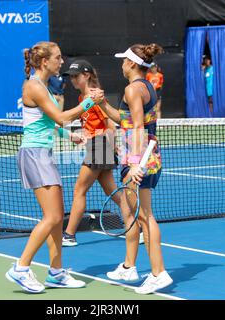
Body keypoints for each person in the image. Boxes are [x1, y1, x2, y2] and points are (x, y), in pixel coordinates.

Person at [5, 41, 103, 294]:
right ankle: (21, 268)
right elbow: (59, 117)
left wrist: (68, 136)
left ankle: (56, 272)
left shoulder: (44, 87)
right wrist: (89, 103)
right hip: (35, 155)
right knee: (53, 217)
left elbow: (49, 123)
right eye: (58, 58)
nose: (62, 62)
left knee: (57, 219)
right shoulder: (34, 86)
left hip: (43, 153)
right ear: (44, 61)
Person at [97, 44, 173, 294]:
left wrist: (133, 166)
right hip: (150, 157)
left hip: (139, 160)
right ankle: (130, 267)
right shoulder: (146, 86)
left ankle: (158, 273)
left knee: (144, 216)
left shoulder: (132, 89)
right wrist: (102, 104)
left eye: (123, 61)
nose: (121, 65)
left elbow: (138, 127)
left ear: (131, 63)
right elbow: (125, 120)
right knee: (137, 214)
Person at [60, 59, 121, 247]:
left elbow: (111, 124)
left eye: (76, 76)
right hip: (96, 146)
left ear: (86, 75)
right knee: (111, 190)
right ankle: (139, 225)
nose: (73, 80)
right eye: (71, 77)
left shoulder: (95, 97)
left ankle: (69, 235)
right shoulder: (83, 99)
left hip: (101, 146)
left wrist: (110, 146)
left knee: (79, 189)